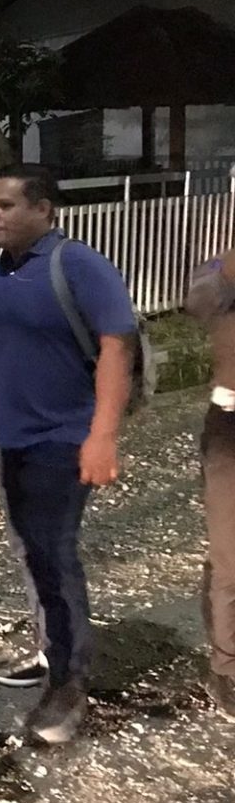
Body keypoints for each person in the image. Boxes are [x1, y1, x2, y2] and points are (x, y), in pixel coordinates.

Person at [0, 164, 136, 744]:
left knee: (52, 553)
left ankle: (69, 683)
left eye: (5, 205)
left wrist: (103, 436)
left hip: (63, 438)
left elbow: (117, 347)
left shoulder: (77, 265)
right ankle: (54, 651)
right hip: (12, 438)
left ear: (44, 209)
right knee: (30, 550)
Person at [186, 242, 235, 719]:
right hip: (230, 424)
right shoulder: (222, 268)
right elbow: (199, 300)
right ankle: (226, 666)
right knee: (230, 556)